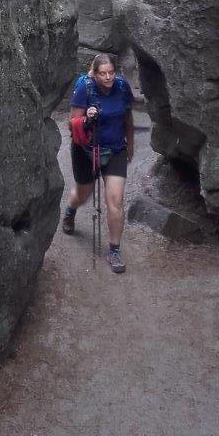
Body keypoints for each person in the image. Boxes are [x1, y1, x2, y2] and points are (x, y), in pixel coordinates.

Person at [61, 54, 134, 274]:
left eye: (111, 72)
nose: (108, 77)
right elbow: (72, 124)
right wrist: (87, 118)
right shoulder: (85, 88)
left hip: (115, 149)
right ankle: (71, 210)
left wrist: (130, 143)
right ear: (94, 73)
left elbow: (127, 117)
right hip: (86, 150)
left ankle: (114, 250)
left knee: (116, 200)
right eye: (103, 73)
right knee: (83, 193)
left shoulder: (122, 87)